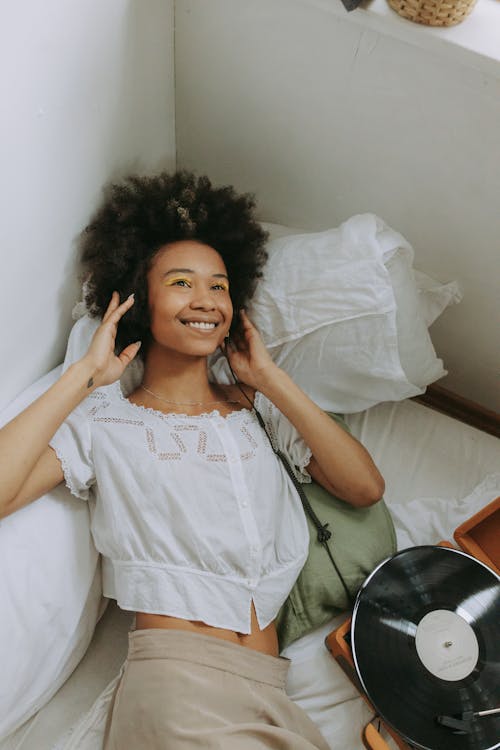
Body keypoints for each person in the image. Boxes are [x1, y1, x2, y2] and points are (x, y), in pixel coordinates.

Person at [0, 171, 384, 749]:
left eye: (219, 286)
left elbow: (365, 488)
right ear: (138, 297)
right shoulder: (109, 420)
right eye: (181, 283)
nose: (206, 300)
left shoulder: (259, 412)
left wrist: (269, 378)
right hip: (179, 689)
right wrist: (81, 377)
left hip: (273, 689)